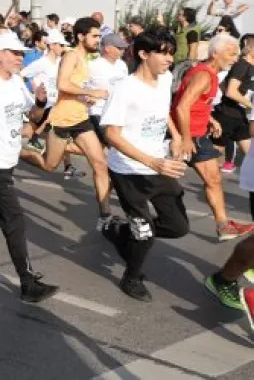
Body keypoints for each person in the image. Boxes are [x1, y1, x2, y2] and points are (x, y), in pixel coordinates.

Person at [0, 32, 59, 302]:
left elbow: (33, 116)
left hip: (6, 161)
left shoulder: (16, 82)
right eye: (14, 53)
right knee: (13, 219)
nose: (20, 58)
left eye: (22, 54)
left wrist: (39, 102)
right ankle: (28, 283)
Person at [99, 29, 189, 301]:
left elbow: (162, 113)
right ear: (143, 54)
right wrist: (152, 161)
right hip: (129, 171)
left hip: (159, 165)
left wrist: (175, 136)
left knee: (177, 227)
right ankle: (131, 278)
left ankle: (121, 230)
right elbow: (111, 134)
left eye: (171, 53)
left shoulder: (164, 81)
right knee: (145, 234)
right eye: (163, 52)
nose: (169, 59)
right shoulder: (125, 89)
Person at [172, 34, 254, 241]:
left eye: (236, 54)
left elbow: (195, 102)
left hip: (198, 134)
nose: (235, 59)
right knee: (157, 182)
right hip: (186, 136)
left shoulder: (212, 74)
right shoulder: (204, 75)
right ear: (215, 53)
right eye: (231, 53)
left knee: (214, 179)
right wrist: (186, 138)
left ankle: (223, 225)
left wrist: (210, 119)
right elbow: (181, 107)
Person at [34, 19, 113, 226]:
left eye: (99, 36)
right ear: (80, 36)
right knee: (50, 165)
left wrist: (85, 98)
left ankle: (105, 215)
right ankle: (20, 150)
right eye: (94, 36)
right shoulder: (71, 56)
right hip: (62, 120)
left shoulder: (85, 59)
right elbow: (62, 84)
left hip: (80, 119)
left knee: (100, 164)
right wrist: (91, 91)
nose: (98, 40)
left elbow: (73, 87)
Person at [213, 34, 254, 172]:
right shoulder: (242, 65)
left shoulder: (249, 66)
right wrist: (251, 105)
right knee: (211, 160)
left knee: (251, 156)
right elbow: (230, 91)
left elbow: (223, 85)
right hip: (227, 116)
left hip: (240, 116)